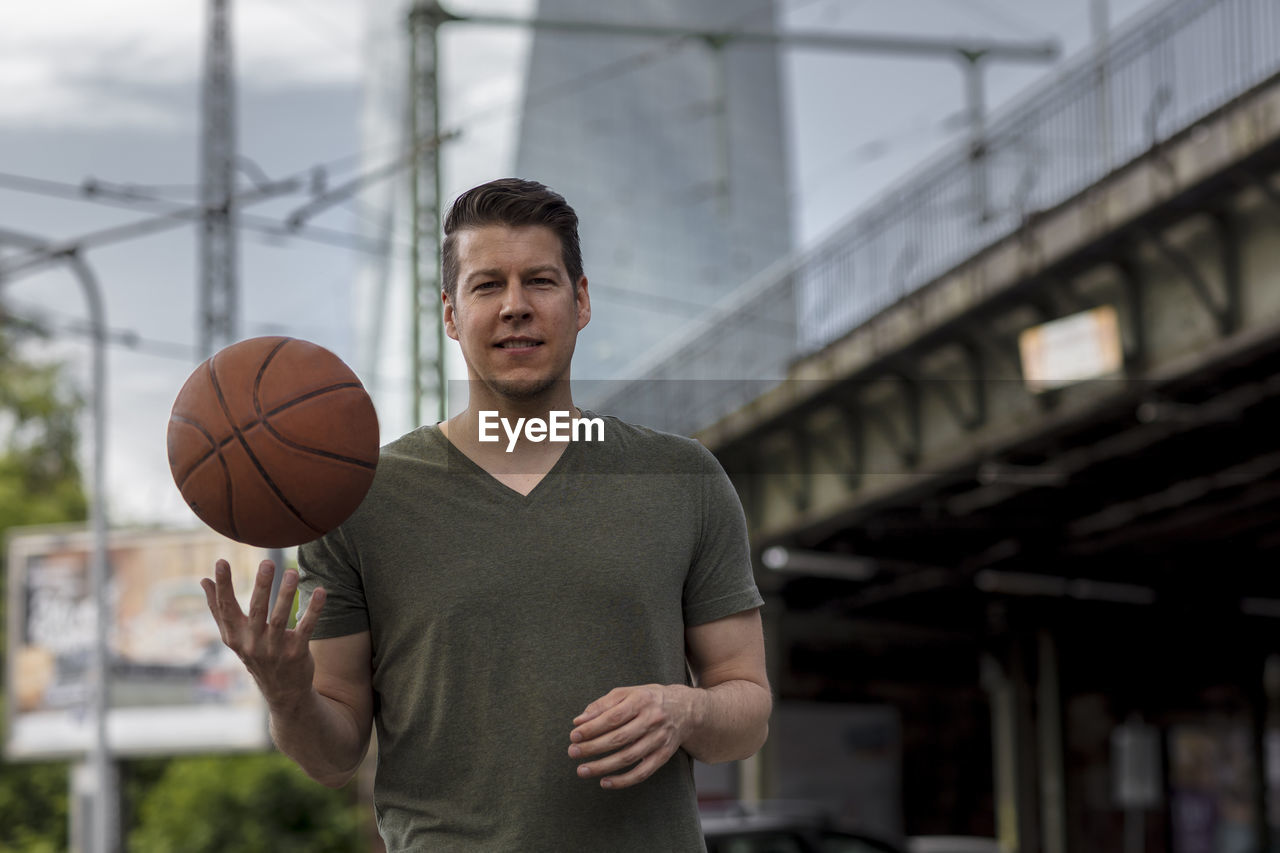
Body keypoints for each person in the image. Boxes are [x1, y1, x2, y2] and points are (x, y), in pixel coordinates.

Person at [201, 177, 771, 851]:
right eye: (486, 285)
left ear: (581, 300)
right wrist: (287, 692)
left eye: (540, 281)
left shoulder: (682, 478)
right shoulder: (360, 501)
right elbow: (333, 756)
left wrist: (687, 708)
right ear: (450, 314)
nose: (515, 307)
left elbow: (748, 708)